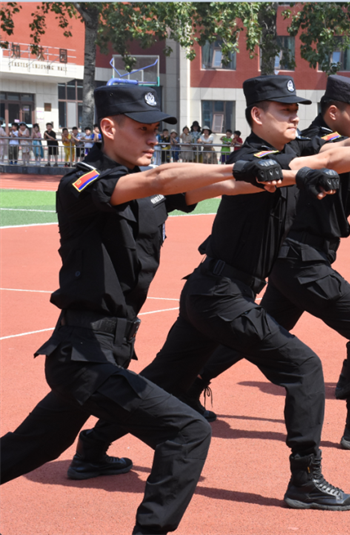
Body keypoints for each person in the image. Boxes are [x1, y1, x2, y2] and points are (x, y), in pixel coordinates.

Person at [73, 74, 350, 512]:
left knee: (165, 379)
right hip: (220, 294)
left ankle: (93, 447)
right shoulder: (249, 159)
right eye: (284, 110)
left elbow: (335, 152)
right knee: (305, 368)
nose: (294, 116)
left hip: (213, 291)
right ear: (256, 115)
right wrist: (294, 174)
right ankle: (305, 477)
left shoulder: (291, 152)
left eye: (295, 109)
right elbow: (243, 178)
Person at [0, 83, 277, 535]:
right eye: (144, 129)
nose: (154, 138)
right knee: (187, 431)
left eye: (156, 130)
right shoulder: (81, 181)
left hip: (107, 352)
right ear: (108, 127)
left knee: (31, 448)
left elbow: (222, 184)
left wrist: (287, 173)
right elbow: (158, 179)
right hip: (82, 351)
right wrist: (237, 161)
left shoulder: (147, 190)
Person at [187, 75, 350, 454]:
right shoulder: (311, 143)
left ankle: (191, 381)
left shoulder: (328, 144)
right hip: (301, 259)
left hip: (295, 259)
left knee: (256, 335)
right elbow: (342, 149)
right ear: (332, 112)